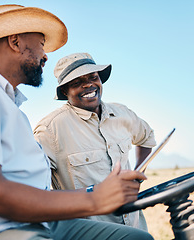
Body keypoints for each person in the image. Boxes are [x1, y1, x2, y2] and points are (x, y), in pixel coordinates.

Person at [0, 4, 153, 240]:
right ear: (15, 42)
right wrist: (95, 198)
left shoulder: (13, 110)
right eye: (42, 44)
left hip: (35, 220)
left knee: (138, 237)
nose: (45, 56)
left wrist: (99, 192)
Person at [33, 52, 156, 230]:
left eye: (93, 77)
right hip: (90, 233)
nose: (89, 84)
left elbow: (147, 138)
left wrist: (137, 175)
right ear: (65, 91)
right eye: (77, 82)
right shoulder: (50, 130)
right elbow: (35, 191)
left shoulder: (122, 113)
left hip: (136, 229)